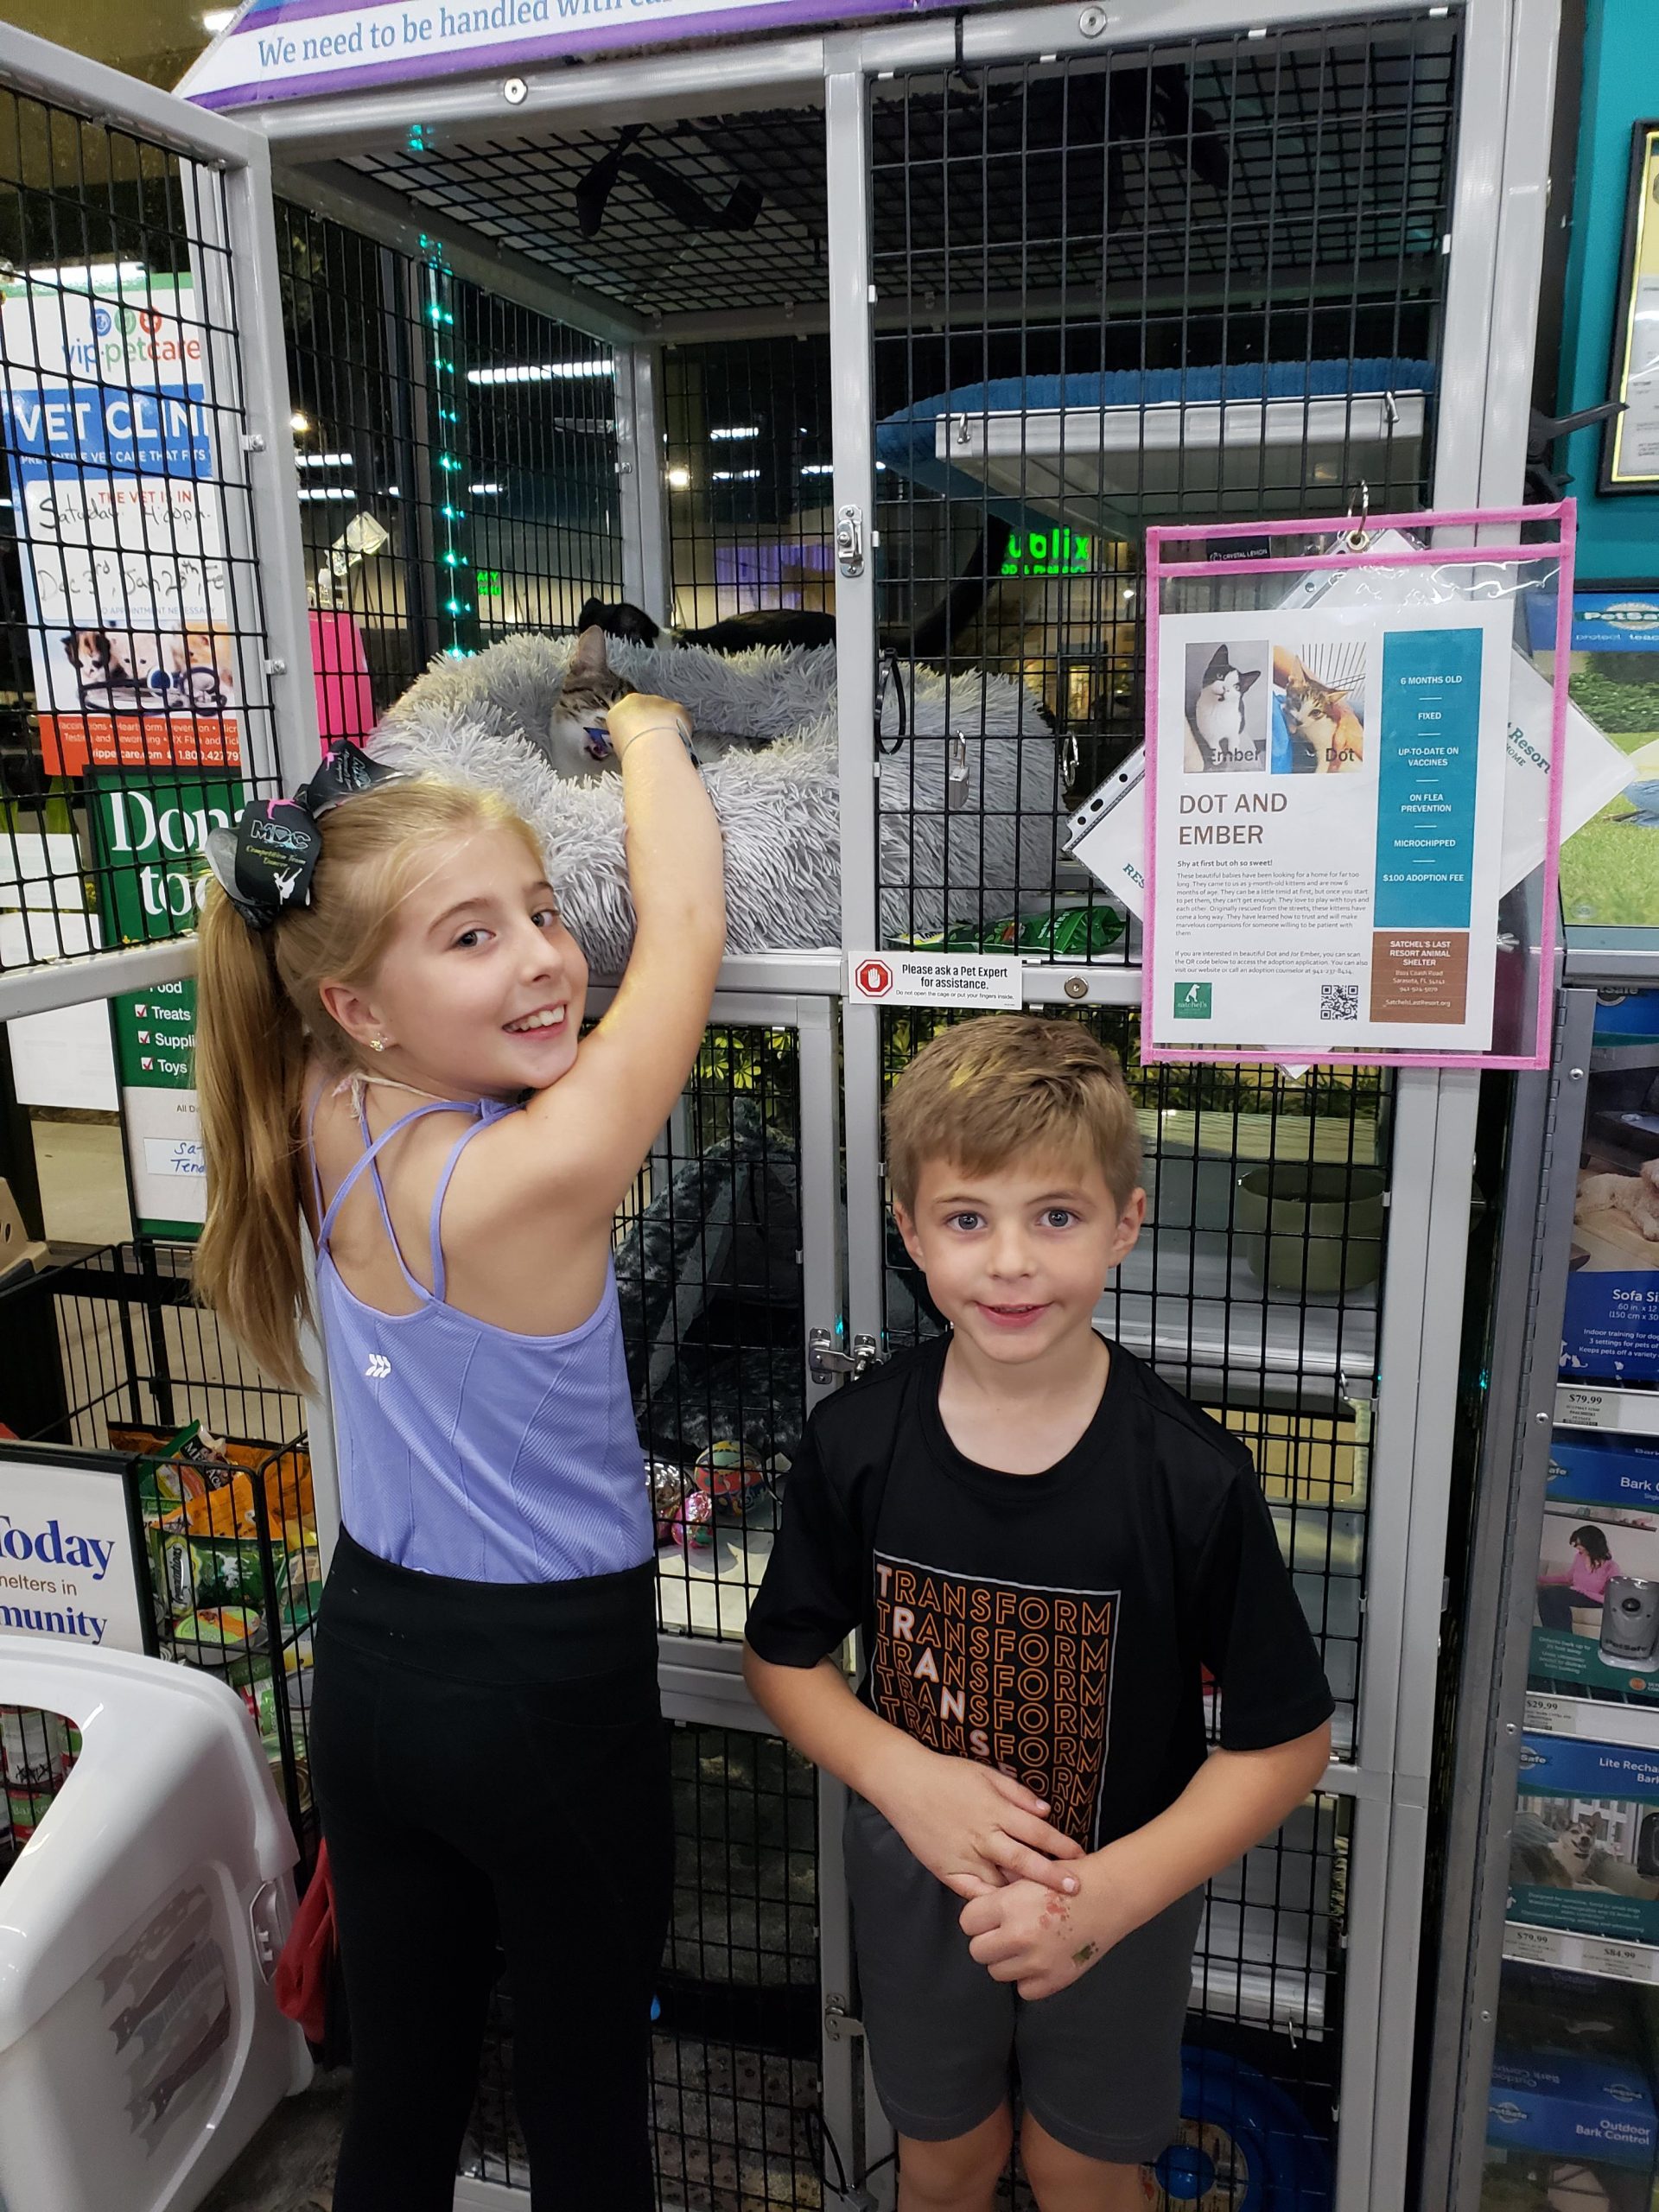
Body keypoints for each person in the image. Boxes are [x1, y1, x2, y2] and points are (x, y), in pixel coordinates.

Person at [194, 694, 725, 2212]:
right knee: (584, 2107)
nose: (551, 959)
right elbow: (683, 924)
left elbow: (317, 962)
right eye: (474, 937)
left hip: (366, 1669)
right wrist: (647, 729)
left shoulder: (307, 1107)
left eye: (544, 912)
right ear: (360, 1004)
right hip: (548, 1697)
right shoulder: (534, 1175)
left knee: (405, 2091)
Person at [742, 1015, 1334, 2212]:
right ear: (909, 1232)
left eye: (1054, 1216)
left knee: (1084, 2167)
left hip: (1117, 1891)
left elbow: (1286, 1740)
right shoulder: (856, 1444)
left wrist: (1106, 1900)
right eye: (968, 1219)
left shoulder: (1191, 1476)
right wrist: (907, 1781)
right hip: (915, 1881)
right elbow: (783, 1659)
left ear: (1127, 1219)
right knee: (945, 2159)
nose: (1011, 1262)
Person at [1536, 1522, 1621, 1630]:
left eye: (1579, 1544)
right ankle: (1550, 1633)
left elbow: (1609, 1599)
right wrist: (1540, 1578)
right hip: (1576, 1593)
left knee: (1556, 1595)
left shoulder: (1611, 1567)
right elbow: (1567, 1578)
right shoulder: (1579, 1557)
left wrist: (1583, 1591)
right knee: (1544, 1593)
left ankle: (1565, 1637)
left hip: (1594, 1599)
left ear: (1590, 1544)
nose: (1577, 1547)